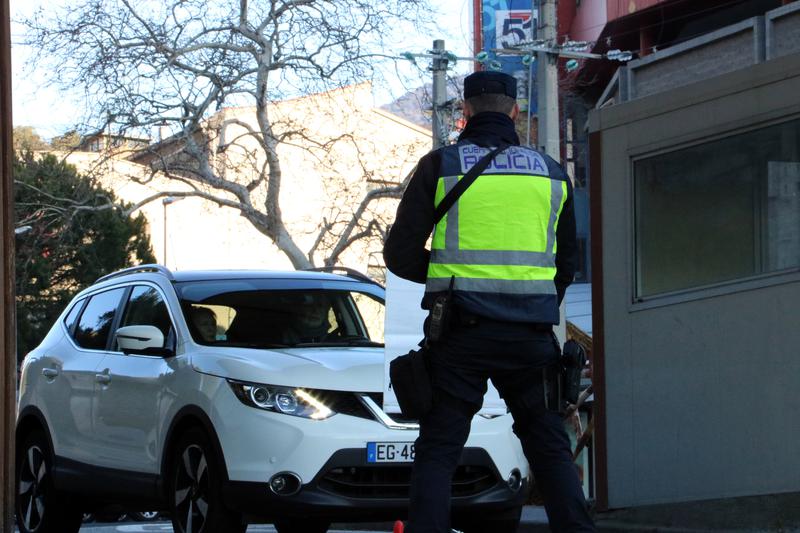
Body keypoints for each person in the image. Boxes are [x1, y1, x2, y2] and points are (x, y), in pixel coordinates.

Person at [383, 71, 596, 533]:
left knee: (439, 449)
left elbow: (399, 255)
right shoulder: (551, 175)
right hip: (530, 337)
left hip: (459, 334)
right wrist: (533, 304)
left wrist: (449, 283)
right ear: (515, 111)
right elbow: (566, 266)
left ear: (465, 112)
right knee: (548, 447)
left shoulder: (440, 165)